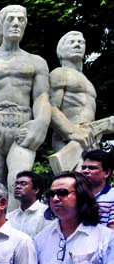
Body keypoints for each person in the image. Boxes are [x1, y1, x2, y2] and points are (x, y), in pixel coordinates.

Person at [0, 5, 51, 202]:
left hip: (21, 127)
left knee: (19, 181)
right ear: (0, 25)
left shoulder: (36, 62)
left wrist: (41, 123)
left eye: (21, 20)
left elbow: (41, 98)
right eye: (10, 19)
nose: (16, 23)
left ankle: (15, 227)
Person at [49, 31, 114, 173]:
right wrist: (71, 132)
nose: (77, 44)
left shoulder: (87, 80)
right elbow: (51, 108)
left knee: (91, 183)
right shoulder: (59, 73)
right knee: (77, 181)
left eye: (81, 42)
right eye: (71, 42)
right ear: (60, 50)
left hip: (91, 139)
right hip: (69, 139)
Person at [7, 170, 50, 238]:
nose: (17, 187)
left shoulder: (46, 214)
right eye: (16, 184)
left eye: (23, 184)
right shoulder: (10, 217)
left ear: (35, 190)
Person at [80, 150, 114, 228]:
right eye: (83, 168)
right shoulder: (75, 195)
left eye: (92, 168)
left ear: (106, 173)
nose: (85, 171)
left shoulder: (112, 196)